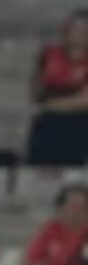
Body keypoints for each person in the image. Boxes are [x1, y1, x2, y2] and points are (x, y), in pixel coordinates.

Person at [10, 184, 88, 265]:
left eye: (83, 206)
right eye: (73, 206)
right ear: (61, 208)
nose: (78, 211)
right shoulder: (49, 233)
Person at [26, 10, 88, 167]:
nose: (75, 33)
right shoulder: (49, 54)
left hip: (80, 125)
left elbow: (84, 101)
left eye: (82, 29)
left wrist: (50, 104)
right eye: (72, 28)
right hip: (48, 123)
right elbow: (35, 92)